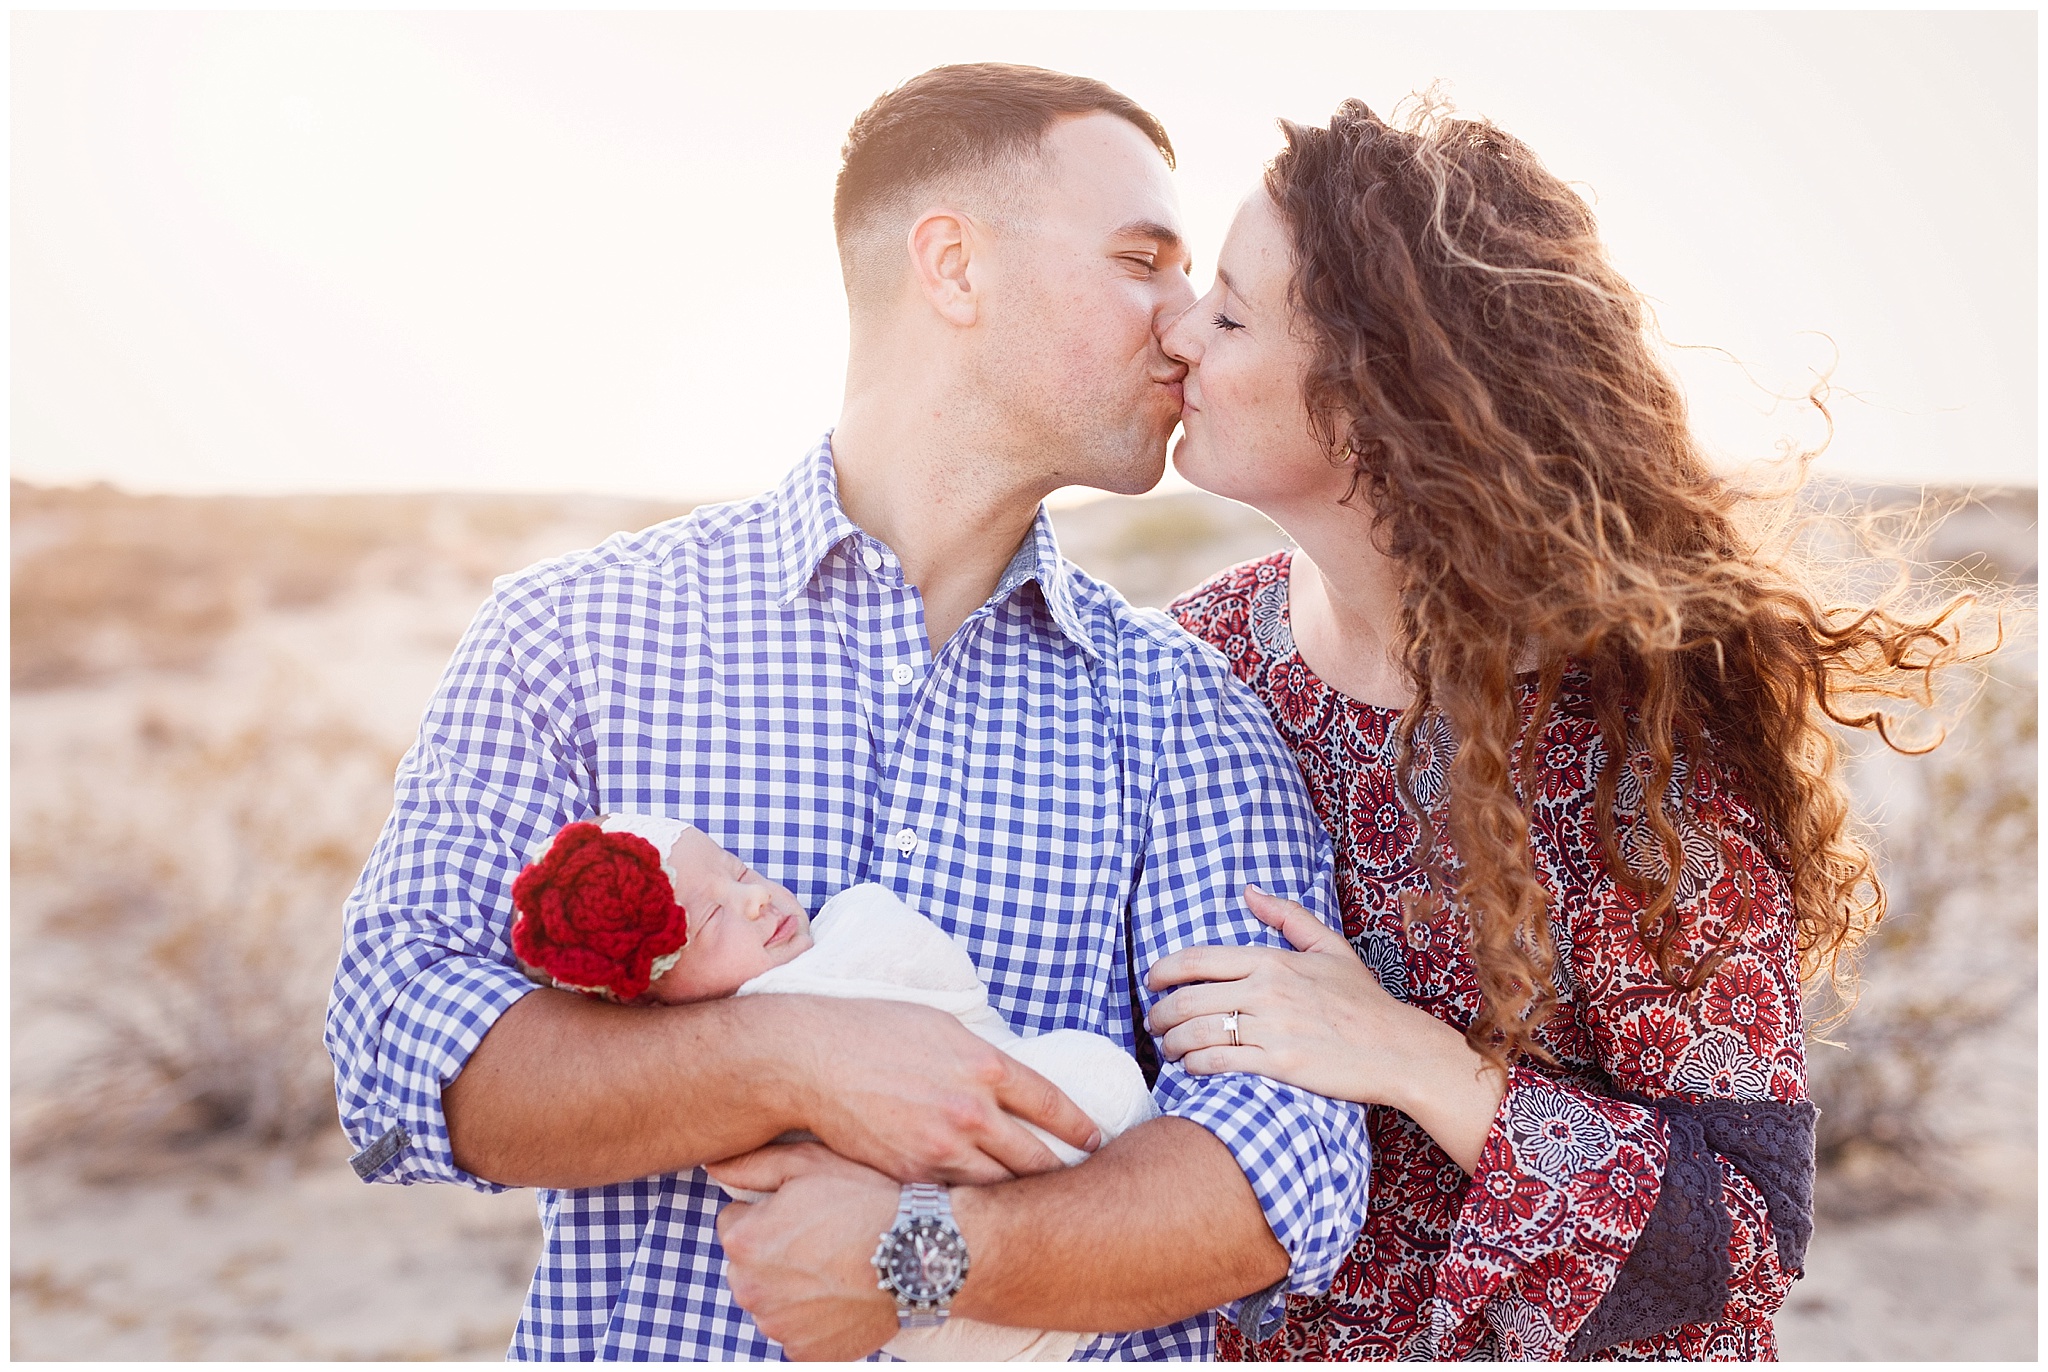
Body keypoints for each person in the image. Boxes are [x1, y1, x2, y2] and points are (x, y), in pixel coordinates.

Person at [325, 63, 1371, 1361]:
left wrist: (919, 1260)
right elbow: (394, 1055)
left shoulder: (1188, 721)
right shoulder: (575, 635)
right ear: (953, 265)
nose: (1183, 324)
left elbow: (1289, 1174)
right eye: (1141, 258)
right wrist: (792, 1058)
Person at [1146, 96, 1974, 1359]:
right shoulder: (1192, 662)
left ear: (1376, 399)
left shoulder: (1634, 734)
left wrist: (1411, 1058)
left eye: (1229, 309)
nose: (1177, 332)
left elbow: (1739, 1239)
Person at [505, 813, 1160, 1361]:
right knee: (1100, 1081)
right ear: (653, 1004)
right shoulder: (704, 1072)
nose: (756, 898)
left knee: (1097, 1080)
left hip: (1063, 1216)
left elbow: (950, 991)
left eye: (741, 871)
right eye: (712, 921)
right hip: (893, 1272)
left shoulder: (838, 933)